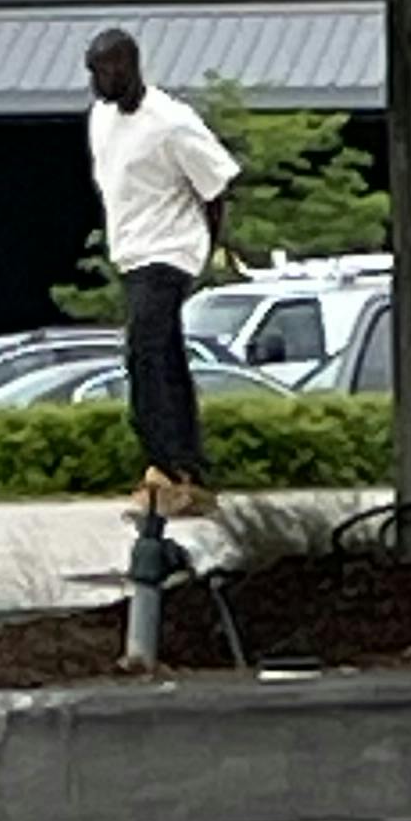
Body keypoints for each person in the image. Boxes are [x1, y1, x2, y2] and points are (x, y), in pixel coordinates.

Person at [83, 29, 239, 515]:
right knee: (165, 358)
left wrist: (205, 252)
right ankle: (187, 466)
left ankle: (169, 465)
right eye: (93, 71)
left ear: (130, 65)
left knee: (144, 353)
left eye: (107, 69)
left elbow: (215, 188)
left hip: (170, 253)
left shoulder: (171, 122)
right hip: (131, 253)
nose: (99, 80)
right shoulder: (101, 119)